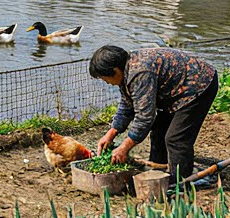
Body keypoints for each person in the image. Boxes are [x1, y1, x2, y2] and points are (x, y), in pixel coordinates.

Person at [89, 45, 219, 190]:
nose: (105, 81)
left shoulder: (140, 73)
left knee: (176, 139)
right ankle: (159, 171)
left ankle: (180, 183)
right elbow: (128, 106)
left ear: (115, 71)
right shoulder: (127, 71)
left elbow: (144, 117)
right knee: (159, 127)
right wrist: (111, 133)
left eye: (103, 77)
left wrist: (124, 147)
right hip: (173, 89)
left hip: (198, 86)